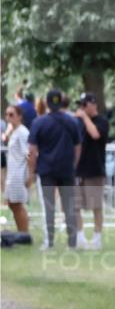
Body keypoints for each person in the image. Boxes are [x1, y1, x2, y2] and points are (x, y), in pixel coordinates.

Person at [27, 89, 81, 250]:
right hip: (66, 170)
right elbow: (78, 146)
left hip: (46, 171)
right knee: (69, 207)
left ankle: (49, 242)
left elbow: (32, 151)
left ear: (47, 102)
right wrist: (74, 165)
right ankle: (72, 243)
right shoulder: (72, 121)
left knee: (48, 207)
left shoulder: (39, 123)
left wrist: (32, 170)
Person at [73, 93, 110, 250]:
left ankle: (97, 238)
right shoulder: (78, 122)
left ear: (92, 104)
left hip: (94, 169)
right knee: (75, 205)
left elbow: (95, 134)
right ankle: (79, 237)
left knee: (96, 206)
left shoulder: (101, 121)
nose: (81, 108)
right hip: (77, 170)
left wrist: (85, 118)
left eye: (84, 105)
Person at [3, 105, 31, 232]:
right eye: (7, 115)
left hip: (19, 175)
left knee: (17, 204)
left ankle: (24, 232)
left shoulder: (23, 132)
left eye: (11, 115)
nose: (8, 118)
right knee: (11, 203)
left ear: (20, 116)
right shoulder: (14, 131)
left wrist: (30, 175)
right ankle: (21, 231)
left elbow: (28, 154)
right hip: (12, 173)